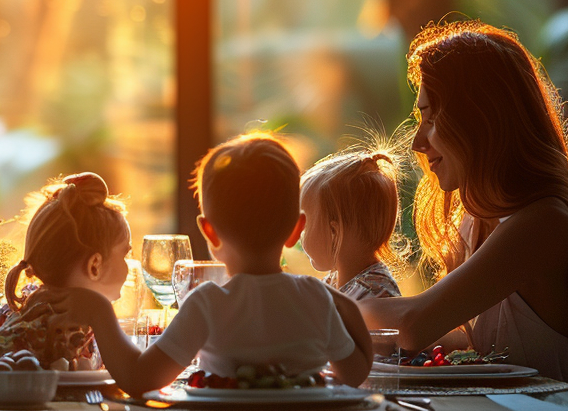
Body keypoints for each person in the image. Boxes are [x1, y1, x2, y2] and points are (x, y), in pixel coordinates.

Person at [359, 22, 568, 393]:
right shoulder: (476, 221)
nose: (418, 142)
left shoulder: (545, 223)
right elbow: (464, 341)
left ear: (479, 119)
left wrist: (319, 304)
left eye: (431, 118)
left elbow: (415, 323)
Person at [44, 133, 373, 396]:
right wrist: (344, 304)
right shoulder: (315, 298)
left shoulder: (208, 304)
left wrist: (100, 313)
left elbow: (138, 378)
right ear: (295, 231)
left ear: (209, 234)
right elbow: (355, 374)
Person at [0, 172, 130, 392]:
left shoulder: (32, 307)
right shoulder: (52, 329)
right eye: (125, 254)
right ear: (95, 265)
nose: (128, 266)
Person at [299, 149, 405, 301]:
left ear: (334, 232)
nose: (300, 233)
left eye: (305, 223)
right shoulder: (336, 281)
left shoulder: (373, 295)